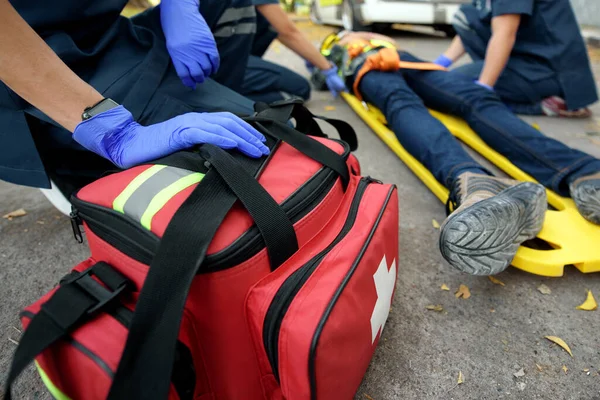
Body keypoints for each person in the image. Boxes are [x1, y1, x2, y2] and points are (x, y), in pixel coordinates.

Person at [314, 31, 600, 276]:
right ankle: (477, 182)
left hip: (401, 59)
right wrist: (330, 67)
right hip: (367, 65)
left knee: (470, 99)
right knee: (404, 103)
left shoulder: (351, 43)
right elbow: (319, 69)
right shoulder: (331, 46)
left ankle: (579, 172)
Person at [0, 0, 270, 208]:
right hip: (39, 72)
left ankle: (207, 102)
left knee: (267, 145)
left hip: (115, 40)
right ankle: (68, 158)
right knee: (256, 167)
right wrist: (111, 131)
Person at [433, 0, 598, 118]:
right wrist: (440, 64)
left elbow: (504, 33)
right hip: (529, 60)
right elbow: (475, 22)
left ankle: (547, 105)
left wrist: (483, 88)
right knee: (442, 81)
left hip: (548, 71)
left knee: (448, 86)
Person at [201, 0, 347, 103]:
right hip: (219, 62)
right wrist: (326, 68)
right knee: (299, 89)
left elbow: (282, 31)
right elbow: (287, 32)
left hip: (220, 59)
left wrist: (314, 58)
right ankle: (221, 99)